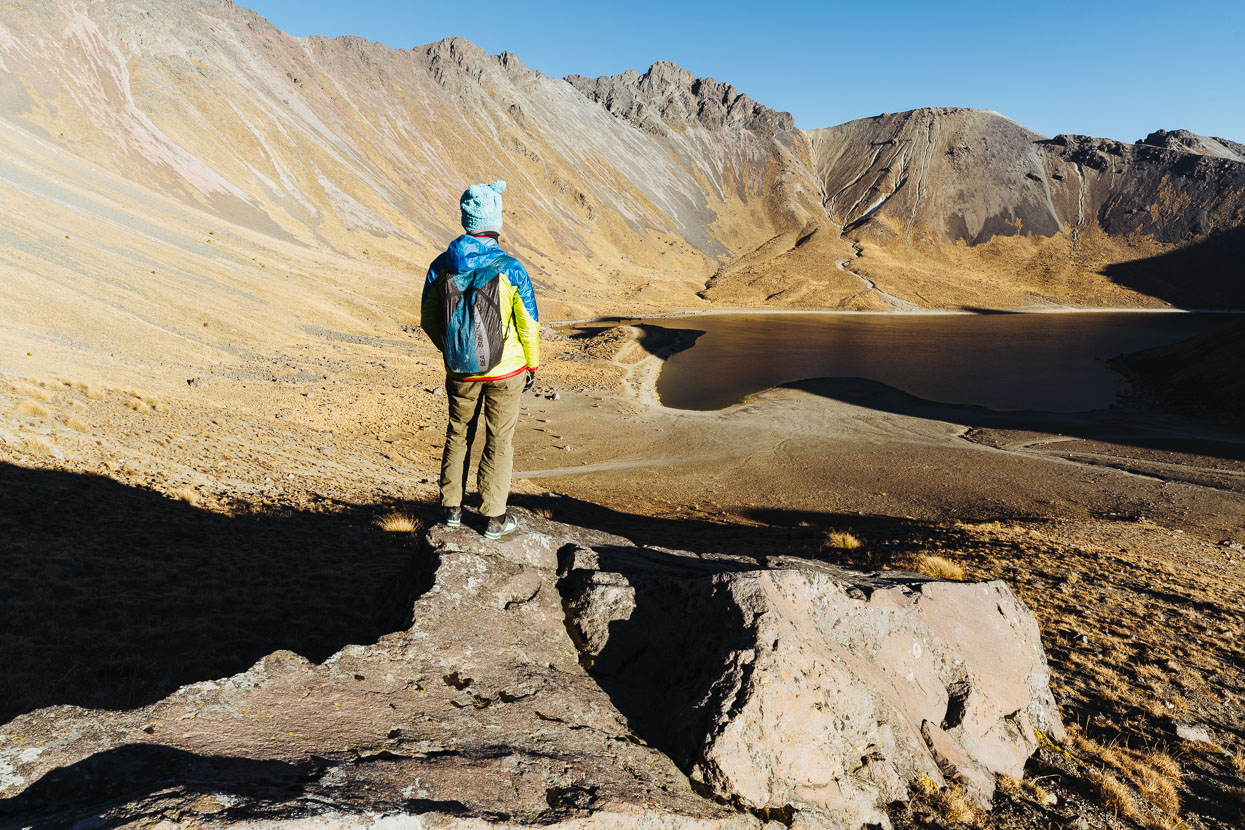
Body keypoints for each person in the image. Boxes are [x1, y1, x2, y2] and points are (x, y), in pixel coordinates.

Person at [420, 180, 539, 539]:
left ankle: (452, 510)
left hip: (460, 371)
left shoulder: (441, 265)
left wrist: (452, 349)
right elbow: (529, 324)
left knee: (458, 434)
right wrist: (531, 365)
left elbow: (428, 318)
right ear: (495, 221)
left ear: (466, 220)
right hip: (507, 372)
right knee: (499, 440)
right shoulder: (511, 267)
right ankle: (493, 518)